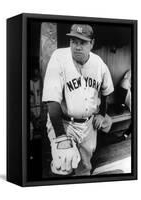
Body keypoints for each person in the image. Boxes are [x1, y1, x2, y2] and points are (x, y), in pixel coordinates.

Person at [42, 24, 114, 176]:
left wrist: (102, 113)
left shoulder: (99, 63)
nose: (77, 47)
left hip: (88, 126)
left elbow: (106, 90)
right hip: (63, 122)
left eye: (82, 42)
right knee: (63, 165)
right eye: (74, 41)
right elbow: (52, 100)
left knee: (84, 167)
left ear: (92, 43)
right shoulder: (59, 57)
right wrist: (61, 137)